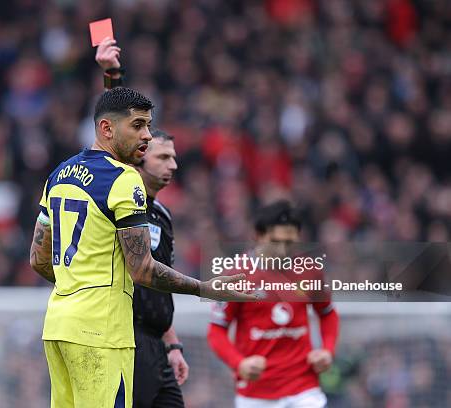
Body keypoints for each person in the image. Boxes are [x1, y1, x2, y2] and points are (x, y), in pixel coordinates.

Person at [29, 86, 253, 407]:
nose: (146, 135)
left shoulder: (58, 174)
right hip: (101, 332)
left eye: (148, 125)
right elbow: (143, 269)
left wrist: (77, 280)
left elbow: (38, 259)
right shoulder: (123, 179)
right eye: (137, 126)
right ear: (107, 128)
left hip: (58, 327)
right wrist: (204, 288)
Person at [96, 37, 188, 408]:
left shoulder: (162, 215)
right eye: (163, 157)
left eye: (174, 157)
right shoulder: (121, 196)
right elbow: (120, 130)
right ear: (139, 158)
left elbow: (160, 287)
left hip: (157, 346)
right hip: (125, 339)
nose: (173, 166)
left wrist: (173, 345)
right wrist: (112, 75)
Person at [207, 200, 340, 408]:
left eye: (289, 242)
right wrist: (239, 363)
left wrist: (327, 350)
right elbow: (216, 330)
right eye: (275, 241)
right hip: (256, 393)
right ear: (258, 235)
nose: (282, 250)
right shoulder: (236, 275)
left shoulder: (309, 270)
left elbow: (327, 313)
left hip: (304, 389)